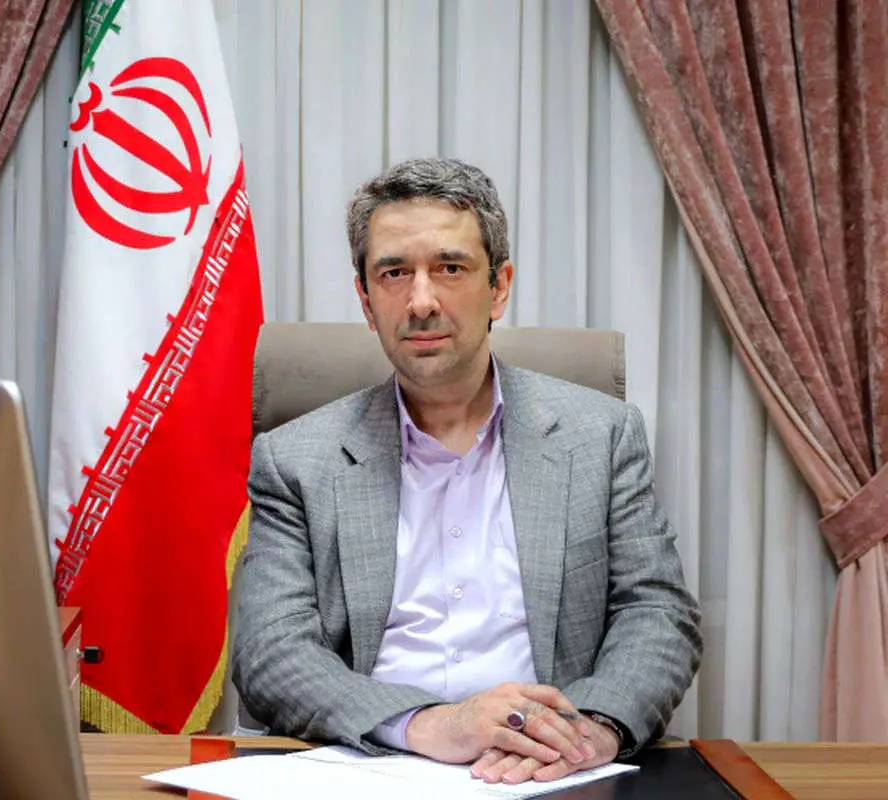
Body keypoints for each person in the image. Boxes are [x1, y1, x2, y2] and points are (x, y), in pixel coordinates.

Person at [231, 158, 703, 785]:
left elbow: (657, 611)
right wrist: (430, 724)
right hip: (370, 768)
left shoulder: (602, 436)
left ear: (499, 286)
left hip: (546, 773)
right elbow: (270, 652)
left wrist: (588, 730)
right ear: (367, 301)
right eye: (394, 273)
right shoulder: (294, 459)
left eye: (450, 268)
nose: (422, 301)